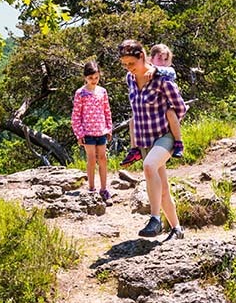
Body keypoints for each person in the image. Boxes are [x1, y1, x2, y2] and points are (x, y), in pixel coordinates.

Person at [117, 38, 187, 238]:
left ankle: (154, 220)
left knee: (148, 166)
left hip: (166, 136)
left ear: (143, 57)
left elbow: (180, 108)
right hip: (145, 139)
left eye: (132, 63)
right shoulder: (130, 79)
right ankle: (177, 229)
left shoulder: (161, 79)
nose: (129, 68)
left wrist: (169, 119)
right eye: (125, 65)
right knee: (162, 189)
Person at [121, 42, 184, 164]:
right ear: (151, 57)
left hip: (165, 115)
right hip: (146, 130)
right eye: (160, 58)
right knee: (132, 121)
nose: (163, 61)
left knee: (171, 113)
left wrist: (156, 69)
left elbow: (172, 73)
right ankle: (134, 149)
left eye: (166, 59)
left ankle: (178, 142)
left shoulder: (163, 74)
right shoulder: (131, 77)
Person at [71, 60, 113, 203]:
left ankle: (104, 189)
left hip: (101, 131)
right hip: (87, 132)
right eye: (90, 78)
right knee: (91, 159)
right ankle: (91, 188)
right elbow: (76, 115)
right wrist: (79, 133)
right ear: (85, 77)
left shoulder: (103, 91)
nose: (93, 81)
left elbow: (107, 111)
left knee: (102, 158)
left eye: (96, 78)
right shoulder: (80, 93)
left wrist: (109, 128)